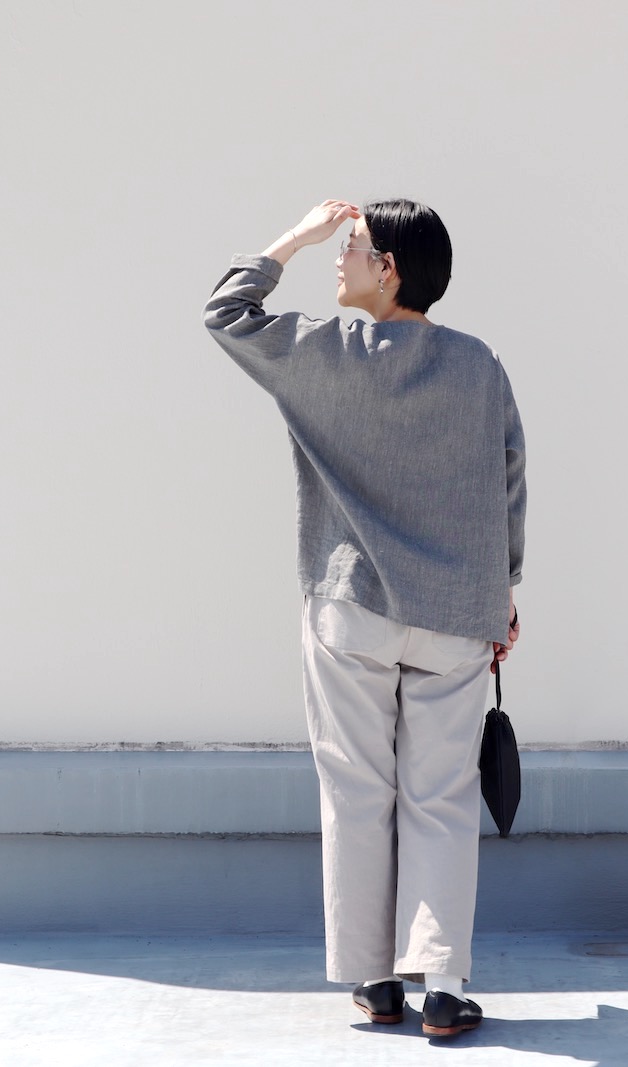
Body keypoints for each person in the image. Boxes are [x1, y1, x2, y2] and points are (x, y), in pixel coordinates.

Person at [203, 198, 526, 1038]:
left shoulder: (325, 351)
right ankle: (444, 988)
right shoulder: (479, 364)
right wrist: (505, 589)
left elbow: (226, 312)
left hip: (352, 607)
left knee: (355, 790)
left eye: (349, 247)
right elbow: (508, 480)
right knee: (441, 796)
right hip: (456, 613)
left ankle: (376, 981)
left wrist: (291, 238)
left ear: (389, 269)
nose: (336, 258)